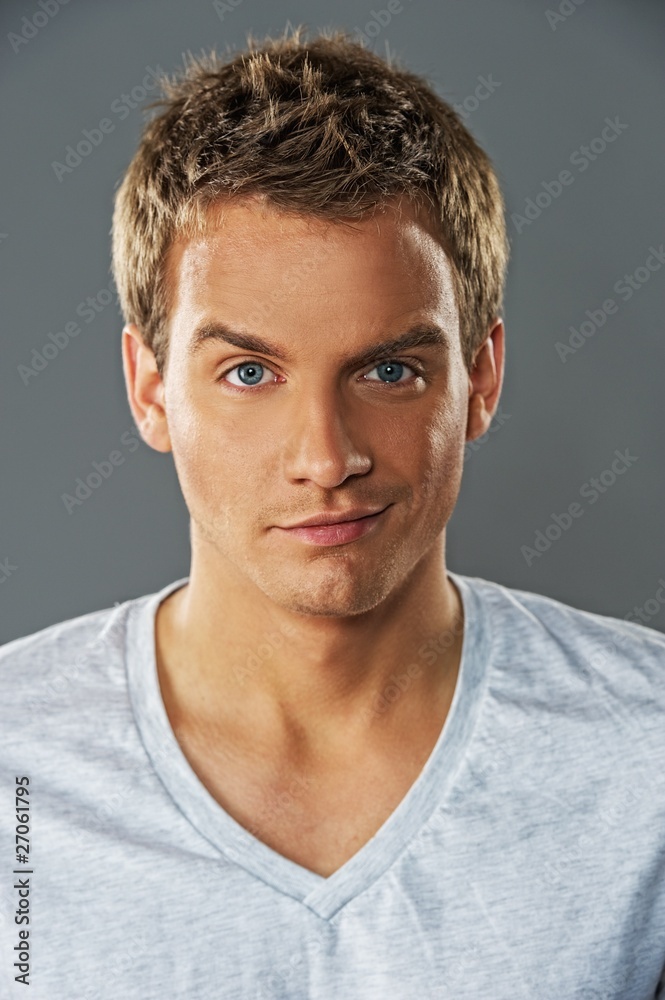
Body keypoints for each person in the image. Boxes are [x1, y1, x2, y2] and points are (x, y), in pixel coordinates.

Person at [1, 26, 663, 1000]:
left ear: (479, 378)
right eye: (248, 372)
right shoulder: (15, 768)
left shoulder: (646, 752)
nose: (324, 458)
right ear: (149, 388)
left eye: (388, 370)